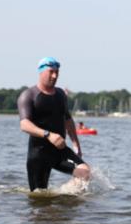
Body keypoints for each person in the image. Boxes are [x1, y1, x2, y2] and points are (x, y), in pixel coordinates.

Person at [17, 57, 90, 191]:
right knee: (39, 195)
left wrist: (75, 143)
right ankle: (55, 203)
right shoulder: (29, 95)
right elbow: (24, 125)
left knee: (84, 172)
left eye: (57, 72)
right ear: (41, 72)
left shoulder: (61, 94)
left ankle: (63, 196)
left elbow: (67, 119)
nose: (55, 76)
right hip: (39, 154)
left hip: (60, 150)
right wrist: (48, 135)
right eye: (51, 72)